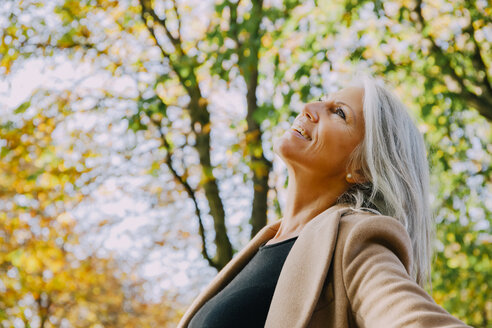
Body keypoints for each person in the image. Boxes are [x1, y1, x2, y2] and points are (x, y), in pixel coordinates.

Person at [178, 75, 471, 327]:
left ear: (361, 168)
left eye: (339, 113)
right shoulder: (263, 245)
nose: (309, 108)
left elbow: (413, 320)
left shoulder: (354, 240)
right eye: (322, 100)